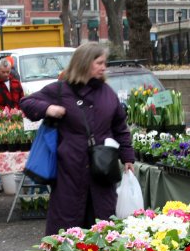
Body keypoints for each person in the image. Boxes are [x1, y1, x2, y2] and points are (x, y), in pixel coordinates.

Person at [20, 43, 135, 235]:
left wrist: (128, 157)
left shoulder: (107, 93)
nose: (103, 67)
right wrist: (48, 109)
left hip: (102, 171)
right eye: (99, 63)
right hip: (70, 171)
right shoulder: (59, 90)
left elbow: (120, 128)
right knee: (66, 226)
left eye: (104, 63)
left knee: (103, 226)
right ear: (84, 63)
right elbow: (27, 103)